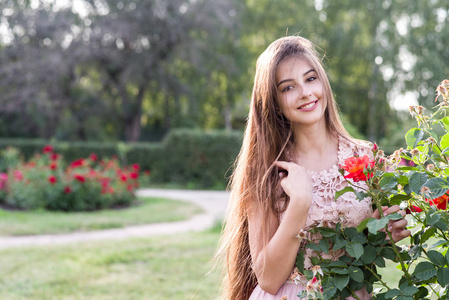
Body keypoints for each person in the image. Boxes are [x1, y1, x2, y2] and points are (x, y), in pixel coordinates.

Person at [216, 36, 410, 300]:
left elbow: (364, 254)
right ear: (274, 102)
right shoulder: (266, 171)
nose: (306, 92)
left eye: (310, 79)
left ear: (323, 82)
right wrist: (299, 204)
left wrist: (380, 234)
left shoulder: (365, 157)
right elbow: (269, 279)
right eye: (287, 88)